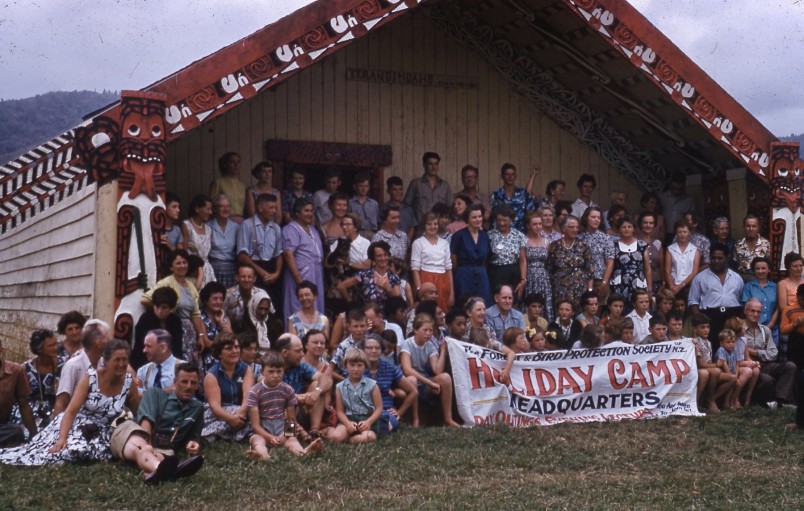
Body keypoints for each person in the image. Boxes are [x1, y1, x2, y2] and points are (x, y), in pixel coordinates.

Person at [0, 340, 138, 466]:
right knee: (66, 453)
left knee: (87, 454)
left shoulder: (129, 382)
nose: (121, 364)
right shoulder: (91, 378)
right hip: (77, 425)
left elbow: (137, 410)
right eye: (117, 360)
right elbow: (71, 411)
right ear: (106, 361)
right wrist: (62, 438)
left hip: (103, 431)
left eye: (124, 360)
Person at [111, 362, 205, 484]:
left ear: (198, 385)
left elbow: (194, 435)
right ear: (175, 382)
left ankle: (156, 470)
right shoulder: (155, 394)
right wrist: (151, 449)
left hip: (164, 449)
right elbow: (146, 424)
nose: (188, 386)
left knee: (162, 456)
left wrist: (194, 443)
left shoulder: (197, 408)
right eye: (184, 382)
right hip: (131, 434)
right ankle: (170, 471)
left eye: (193, 383)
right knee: (144, 448)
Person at [246, 351, 323, 459]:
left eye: (279, 371)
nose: (275, 375)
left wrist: (288, 433)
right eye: (271, 372)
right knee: (257, 440)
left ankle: (303, 452)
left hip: (281, 428)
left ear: (283, 371)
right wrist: (269, 437)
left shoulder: (288, 390)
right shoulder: (255, 392)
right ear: (262, 371)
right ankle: (262, 455)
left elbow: (291, 419)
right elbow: (255, 425)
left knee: (291, 439)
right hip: (262, 429)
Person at [141, 249, 210, 365]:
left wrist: (201, 336)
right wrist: (165, 311)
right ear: (171, 267)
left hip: (190, 333)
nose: (182, 266)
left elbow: (195, 314)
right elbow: (145, 299)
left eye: (184, 262)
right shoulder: (166, 283)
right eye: (178, 263)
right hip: (174, 329)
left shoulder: (191, 286)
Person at [400, 314, 460, 427]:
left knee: (445, 377)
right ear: (415, 330)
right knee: (412, 379)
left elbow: (437, 370)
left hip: (424, 380)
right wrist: (430, 383)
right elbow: (407, 370)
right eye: (425, 330)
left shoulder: (430, 346)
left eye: (430, 330)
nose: (428, 334)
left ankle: (448, 418)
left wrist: (442, 350)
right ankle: (416, 419)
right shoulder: (407, 344)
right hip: (409, 380)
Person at [688, 243, 744, 351]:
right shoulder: (700, 278)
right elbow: (693, 301)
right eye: (713, 258)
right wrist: (700, 320)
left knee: (732, 347)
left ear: (726, 258)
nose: (716, 261)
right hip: (710, 316)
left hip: (732, 316)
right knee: (712, 347)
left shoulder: (737, 278)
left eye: (720, 258)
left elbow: (741, 300)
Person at [275, 333, 332, 438]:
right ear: (285, 353)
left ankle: (314, 430)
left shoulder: (300, 364)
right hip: (278, 414)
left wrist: (316, 392)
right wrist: (297, 397)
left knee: (318, 385)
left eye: (302, 350)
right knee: (286, 405)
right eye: (298, 351)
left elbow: (326, 379)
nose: (302, 354)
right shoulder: (271, 366)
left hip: (299, 410)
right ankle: (290, 435)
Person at [743, 299, 796, 407]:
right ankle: (768, 401)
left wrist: (755, 352)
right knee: (767, 380)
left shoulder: (765, 330)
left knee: (790, 366)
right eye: (752, 311)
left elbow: (773, 353)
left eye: (758, 312)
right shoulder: (739, 329)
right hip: (748, 367)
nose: (755, 314)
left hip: (765, 364)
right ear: (745, 311)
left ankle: (781, 400)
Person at [201, 333, 254, 442]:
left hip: (241, 412)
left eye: (236, 347)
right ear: (219, 353)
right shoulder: (212, 375)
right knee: (251, 416)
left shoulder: (246, 369)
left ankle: (290, 434)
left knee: (258, 411)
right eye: (229, 348)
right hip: (218, 414)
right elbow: (215, 407)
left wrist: (241, 413)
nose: (235, 351)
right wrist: (232, 418)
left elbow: (248, 396)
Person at [282, 198, 326, 325]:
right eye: (306, 211)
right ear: (297, 212)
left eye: (311, 211)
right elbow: (288, 254)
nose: (310, 214)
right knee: (299, 304)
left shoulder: (312, 229)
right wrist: (300, 282)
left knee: (315, 305)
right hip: (301, 274)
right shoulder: (291, 229)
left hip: (316, 273)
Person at [54, 319, 112, 416]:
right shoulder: (73, 366)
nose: (110, 341)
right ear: (98, 343)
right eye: (107, 338)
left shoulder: (104, 364)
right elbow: (61, 403)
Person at [327, 349, 384, 444]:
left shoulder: (372, 385)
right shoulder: (340, 387)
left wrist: (368, 422)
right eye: (352, 365)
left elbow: (379, 408)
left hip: (366, 419)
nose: (356, 369)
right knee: (336, 437)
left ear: (365, 367)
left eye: (359, 365)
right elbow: (340, 411)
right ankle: (329, 430)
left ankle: (351, 439)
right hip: (349, 419)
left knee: (369, 437)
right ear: (346, 367)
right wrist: (347, 423)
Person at [362, 335, 418, 427]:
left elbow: (413, 392)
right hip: (364, 412)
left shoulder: (390, 368)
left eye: (377, 348)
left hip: (386, 411)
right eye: (369, 348)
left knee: (387, 423)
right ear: (363, 350)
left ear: (382, 350)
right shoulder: (357, 368)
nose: (373, 351)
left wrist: (399, 412)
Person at [10, 331, 61, 431]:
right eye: (51, 345)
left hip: (56, 408)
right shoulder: (25, 369)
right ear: (39, 349)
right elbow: (21, 400)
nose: (56, 348)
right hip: (30, 410)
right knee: (23, 431)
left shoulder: (64, 366)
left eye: (56, 344)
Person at [236, 193, 283, 295]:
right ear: (260, 208)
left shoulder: (276, 228)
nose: (274, 211)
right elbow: (242, 256)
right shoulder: (247, 225)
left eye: (275, 208)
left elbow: (279, 254)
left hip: (272, 271)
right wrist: (262, 273)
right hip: (252, 270)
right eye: (271, 208)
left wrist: (277, 273)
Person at [689, 313, 735, 413]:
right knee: (716, 371)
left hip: (708, 368)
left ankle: (711, 398)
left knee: (732, 378)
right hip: (698, 370)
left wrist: (715, 364)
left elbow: (708, 361)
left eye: (708, 327)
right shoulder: (695, 342)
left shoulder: (708, 342)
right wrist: (716, 365)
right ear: (695, 329)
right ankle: (696, 402)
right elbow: (700, 364)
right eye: (702, 327)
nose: (706, 330)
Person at [337, 241, 401, 311]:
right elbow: (341, 286)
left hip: (387, 317)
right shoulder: (365, 274)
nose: (383, 258)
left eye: (385, 255)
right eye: (379, 256)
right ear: (373, 258)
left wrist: (388, 288)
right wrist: (351, 303)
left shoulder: (393, 276)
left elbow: (399, 301)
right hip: (366, 317)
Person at [546, 215, 593, 312]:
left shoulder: (583, 246)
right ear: (563, 229)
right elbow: (549, 268)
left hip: (579, 289)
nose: (575, 229)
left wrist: (590, 291)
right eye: (571, 227)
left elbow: (590, 270)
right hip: (560, 289)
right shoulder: (555, 246)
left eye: (577, 227)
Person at [603, 215, 652, 306]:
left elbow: (648, 269)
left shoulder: (642, 245)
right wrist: (605, 284)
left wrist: (649, 289)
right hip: (619, 284)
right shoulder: (613, 245)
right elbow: (610, 265)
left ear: (633, 229)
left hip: (638, 284)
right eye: (624, 227)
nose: (627, 229)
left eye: (629, 227)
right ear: (619, 229)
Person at [410, 212, 453, 313]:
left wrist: (452, 293)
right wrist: (419, 289)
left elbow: (449, 268)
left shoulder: (444, 243)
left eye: (435, 224)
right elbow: (415, 268)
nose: (432, 227)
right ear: (424, 225)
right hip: (425, 277)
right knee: (427, 311)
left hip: (443, 280)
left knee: (442, 311)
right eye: (429, 224)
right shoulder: (418, 242)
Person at [132, 287, 183, 369]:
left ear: (171, 308)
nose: (159, 311)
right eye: (157, 307)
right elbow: (141, 347)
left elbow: (177, 347)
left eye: (164, 307)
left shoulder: (175, 321)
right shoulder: (146, 319)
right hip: (144, 363)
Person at [451, 204, 492, 304]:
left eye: (479, 216)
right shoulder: (459, 235)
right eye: (474, 217)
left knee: (484, 302)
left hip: (481, 274)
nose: (478, 219)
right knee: (465, 303)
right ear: (467, 219)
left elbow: (487, 256)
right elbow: (454, 257)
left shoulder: (485, 235)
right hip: (464, 274)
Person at [0, 338, 36, 447]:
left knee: (16, 431)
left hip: (2, 427)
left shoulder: (16, 370)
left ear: (1, 350)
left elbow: (24, 404)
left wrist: (34, 435)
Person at [488, 204, 528, 295]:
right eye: (499, 220)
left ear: (511, 220)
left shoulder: (519, 236)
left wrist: (523, 279)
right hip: (495, 273)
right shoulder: (489, 235)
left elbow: (522, 260)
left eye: (505, 220)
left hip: (513, 272)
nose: (502, 223)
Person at [715, 327, 760, 409]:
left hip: (732, 373)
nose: (731, 344)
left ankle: (728, 402)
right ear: (722, 343)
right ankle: (715, 399)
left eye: (733, 342)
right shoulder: (721, 350)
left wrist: (735, 375)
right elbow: (724, 363)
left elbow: (737, 364)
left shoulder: (734, 350)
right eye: (728, 342)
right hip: (724, 373)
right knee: (733, 381)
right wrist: (732, 376)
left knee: (734, 383)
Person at [404, 151, 453, 223]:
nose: (434, 167)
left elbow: (450, 207)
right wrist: (412, 224)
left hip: (439, 228)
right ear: (424, 165)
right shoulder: (416, 183)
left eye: (436, 164)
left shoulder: (445, 186)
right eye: (430, 164)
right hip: (420, 227)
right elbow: (407, 206)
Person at [490, 164, 539, 233]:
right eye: (507, 174)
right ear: (502, 176)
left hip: (521, 234)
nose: (510, 177)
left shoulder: (523, 193)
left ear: (515, 176)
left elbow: (531, 213)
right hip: (501, 235)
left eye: (512, 174)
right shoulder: (496, 194)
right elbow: (493, 216)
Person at [181, 194, 216, 288]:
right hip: (193, 271)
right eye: (208, 209)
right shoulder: (187, 225)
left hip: (207, 270)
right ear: (197, 209)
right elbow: (183, 251)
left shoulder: (209, 229)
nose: (211, 212)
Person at [579, 206, 615, 297]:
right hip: (581, 279)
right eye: (593, 217)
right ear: (586, 218)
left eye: (598, 218)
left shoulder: (606, 238)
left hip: (599, 279)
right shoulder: (579, 238)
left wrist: (604, 282)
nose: (596, 220)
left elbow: (610, 263)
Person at [523, 212, 553, 321]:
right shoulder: (524, 240)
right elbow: (523, 261)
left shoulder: (546, 242)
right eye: (535, 224)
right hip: (530, 276)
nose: (538, 227)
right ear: (528, 226)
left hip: (543, 277)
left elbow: (547, 261)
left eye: (540, 224)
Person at [740, 257, 778, 343]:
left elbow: (778, 307)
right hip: (752, 329)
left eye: (763, 268)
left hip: (772, 328)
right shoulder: (748, 286)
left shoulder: (775, 287)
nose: (760, 271)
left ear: (769, 270)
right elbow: (746, 308)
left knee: (772, 353)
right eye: (757, 268)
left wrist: (771, 324)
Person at [207, 195, 240, 289]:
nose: (225, 209)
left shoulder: (236, 227)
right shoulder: (208, 226)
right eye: (221, 206)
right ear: (215, 209)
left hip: (232, 268)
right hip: (214, 268)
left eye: (228, 206)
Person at [200, 281, 234, 368]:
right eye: (215, 299)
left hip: (223, 361)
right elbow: (206, 343)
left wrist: (221, 322)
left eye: (221, 299)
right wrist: (224, 348)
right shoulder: (200, 317)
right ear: (206, 300)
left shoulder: (224, 317)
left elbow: (231, 340)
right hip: (205, 359)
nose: (219, 302)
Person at [664, 219, 700, 296]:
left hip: (690, 286)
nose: (682, 234)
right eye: (679, 232)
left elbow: (694, 271)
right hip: (673, 286)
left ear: (689, 233)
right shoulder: (670, 249)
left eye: (685, 232)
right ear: (676, 233)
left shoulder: (695, 250)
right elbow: (667, 271)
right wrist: (671, 286)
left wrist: (681, 286)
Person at [658, 172, 695, 244]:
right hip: (664, 233)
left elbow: (693, 217)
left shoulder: (688, 200)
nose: (676, 191)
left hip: (681, 233)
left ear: (684, 186)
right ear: (671, 185)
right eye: (674, 188)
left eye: (679, 189)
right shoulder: (662, 197)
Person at [209, 152, 246, 220]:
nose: (236, 165)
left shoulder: (243, 185)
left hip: (241, 221)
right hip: (224, 220)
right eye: (232, 162)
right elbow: (212, 204)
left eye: (238, 162)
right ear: (226, 165)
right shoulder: (218, 183)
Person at [223, 265, 258, 332]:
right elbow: (222, 315)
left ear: (254, 279)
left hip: (256, 331)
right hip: (232, 330)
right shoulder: (228, 295)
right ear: (237, 278)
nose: (246, 280)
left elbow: (270, 317)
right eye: (243, 276)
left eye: (249, 277)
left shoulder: (261, 294)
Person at [734, 215, 770, 279]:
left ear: (758, 228)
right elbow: (735, 264)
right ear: (744, 227)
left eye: (754, 226)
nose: (751, 229)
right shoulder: (738, 245)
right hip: (741, 279)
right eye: (748, 226)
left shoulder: (766, 244)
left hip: (760, 280)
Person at [637, 211, 664, 294]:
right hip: (639, 282)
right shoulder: (635, 242)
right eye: (645, 223)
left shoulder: (657, 243)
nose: (648, 225)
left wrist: (663, 282)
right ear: (640, 224)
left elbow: (661, 265)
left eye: (651, 223)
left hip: (656, 282)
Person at [780, 283, 804, 370]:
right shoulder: (788, 310)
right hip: (796, 343)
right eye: (802, 299)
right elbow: (783, 330)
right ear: (797, 296)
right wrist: (795, 324)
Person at [349, 172, 380, 237]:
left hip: (372, 233)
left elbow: (378, 220)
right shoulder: (350, 203)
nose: (363, 189)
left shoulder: (374, 203)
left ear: (369, 187)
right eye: (361, 186)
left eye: (366, 186)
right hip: (357, 233)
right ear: (355, 187)